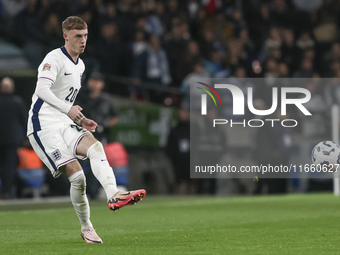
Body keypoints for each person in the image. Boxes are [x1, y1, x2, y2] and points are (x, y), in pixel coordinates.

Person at [26, 16, 146, 244]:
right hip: (43, 125)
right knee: (78, 177)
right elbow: (42, 90)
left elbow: (66, 99)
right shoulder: (53, 58)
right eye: (78, 36)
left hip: (64, 122)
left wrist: (81, 120)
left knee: (96, 146)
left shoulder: (80, 65)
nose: (83, 41)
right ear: (66, 36)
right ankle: (87, 228)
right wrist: (69, 110)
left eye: (85, 36)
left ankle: (114, 194)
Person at [0, 77, 27, 199]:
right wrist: (27, 136)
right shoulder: (17, 101)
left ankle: (4, 190)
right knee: (9, 166)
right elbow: (25, 120)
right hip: (12, 139)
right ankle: (8, 190)